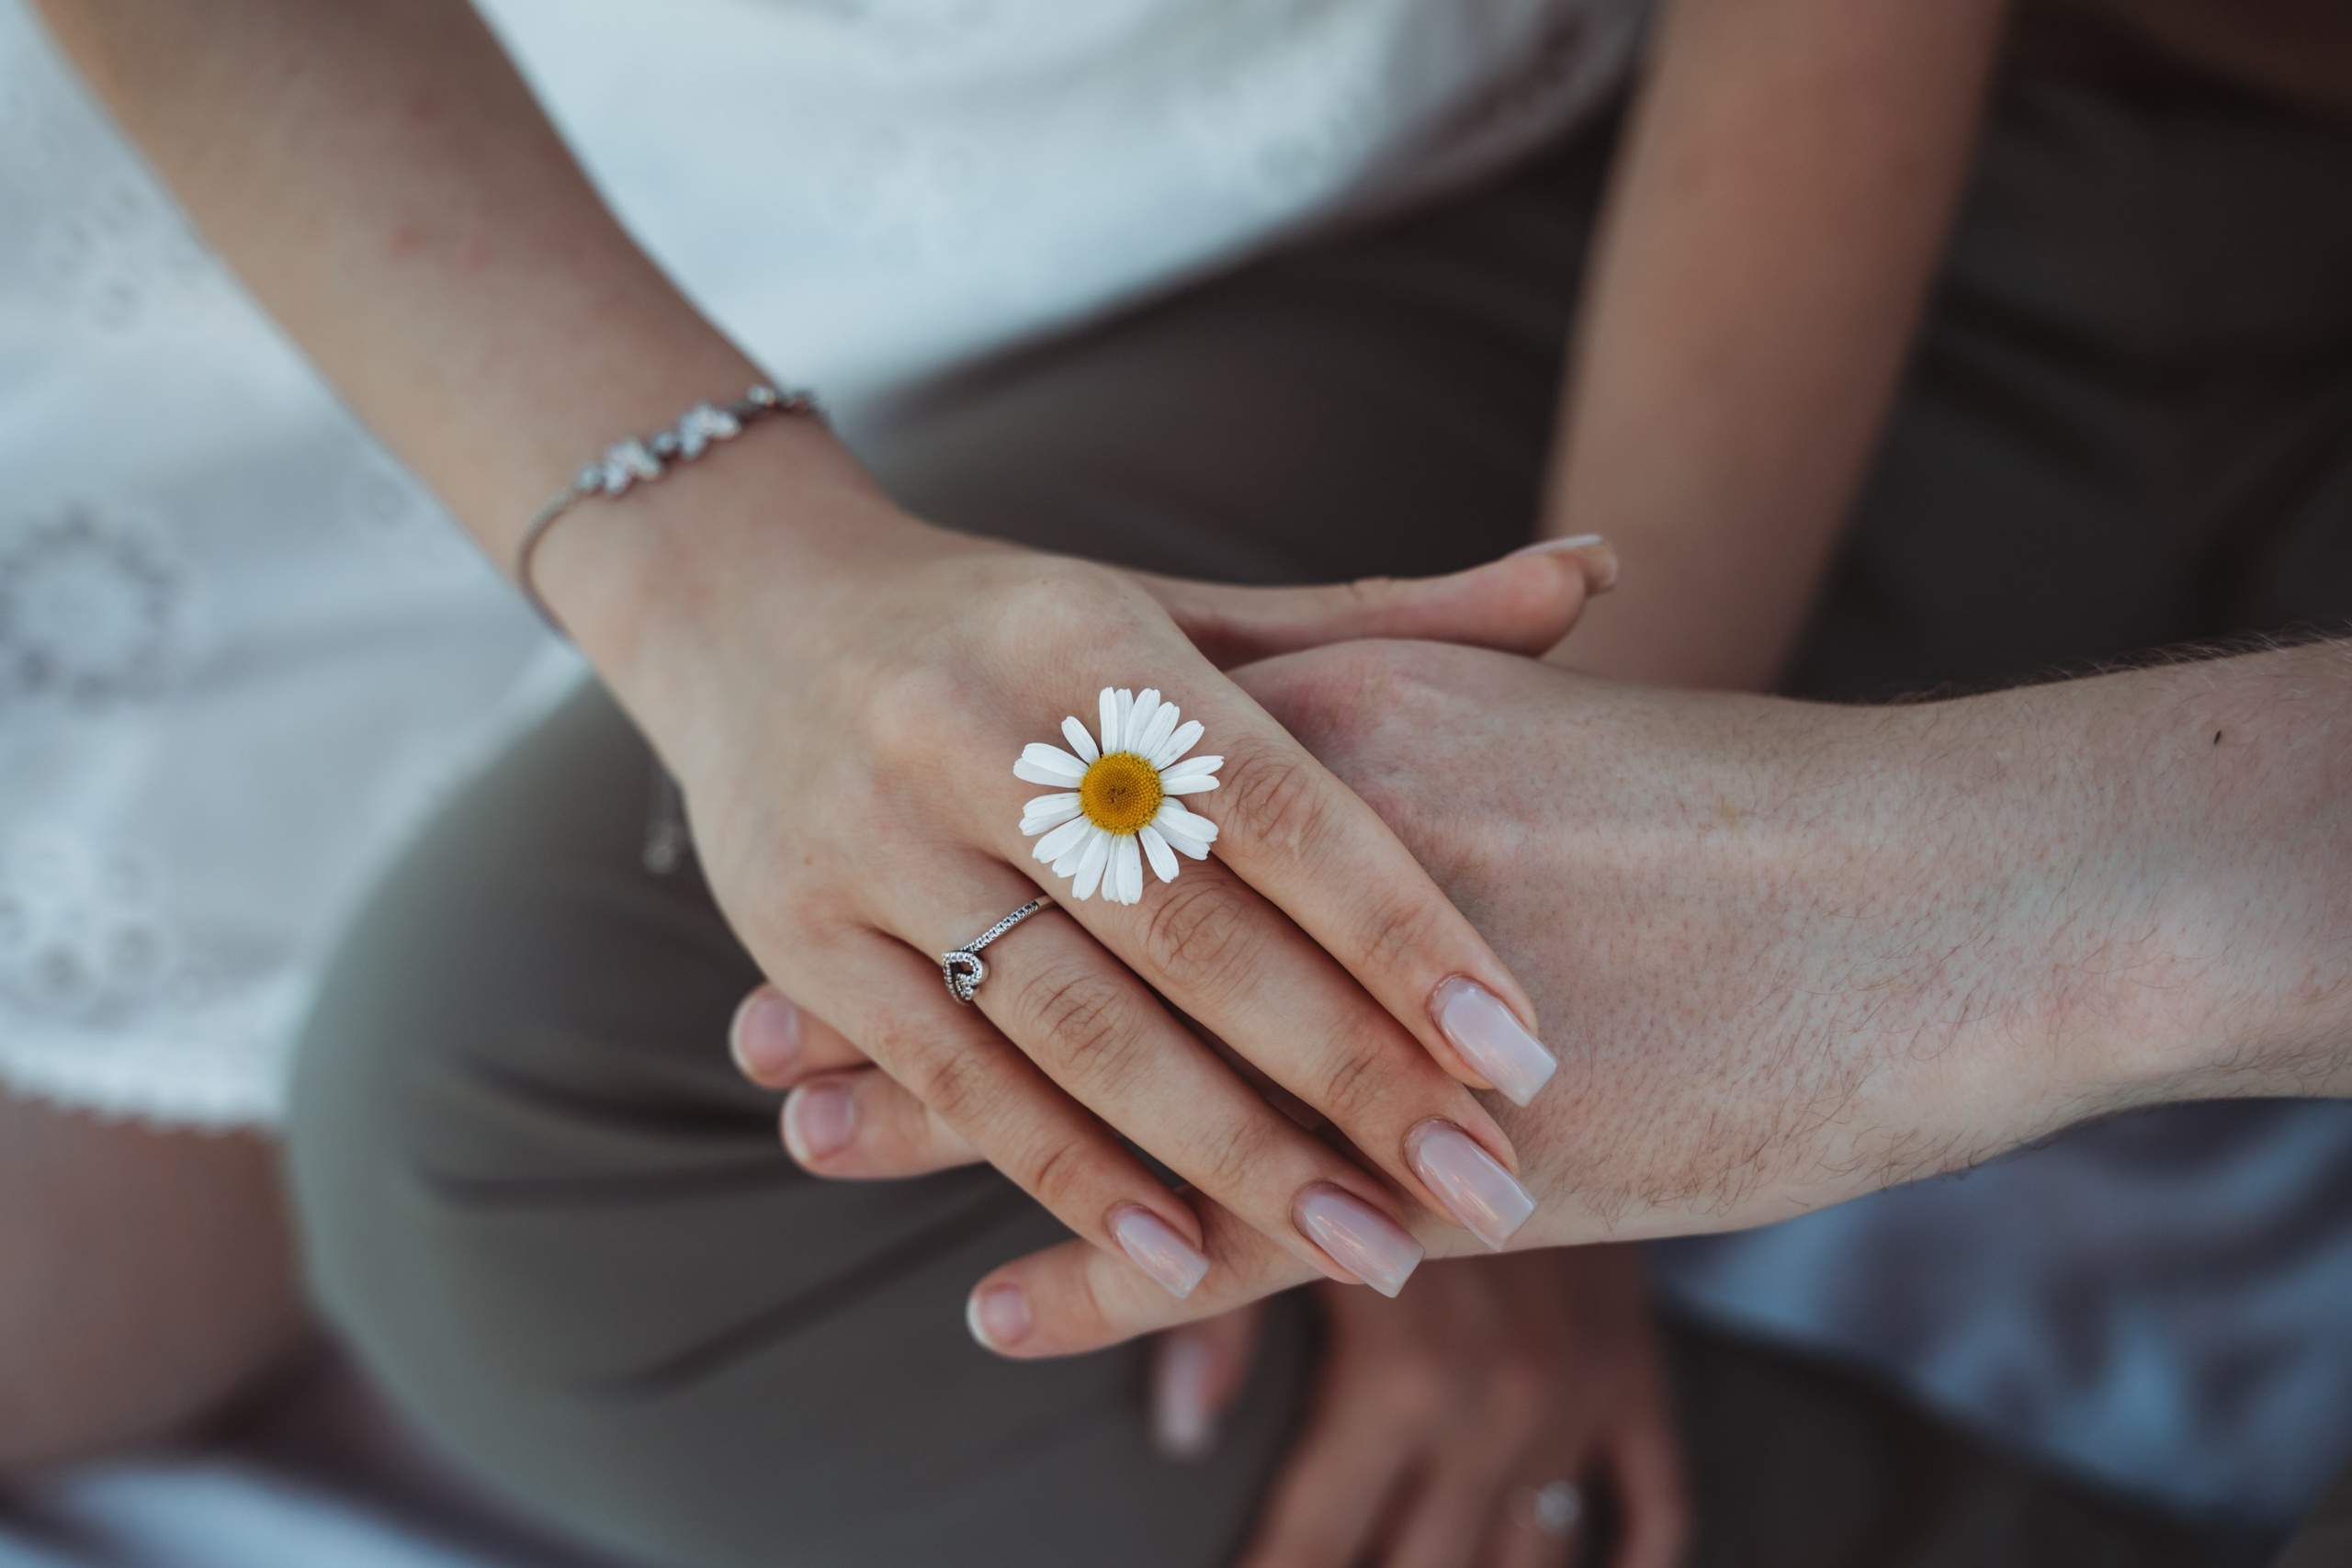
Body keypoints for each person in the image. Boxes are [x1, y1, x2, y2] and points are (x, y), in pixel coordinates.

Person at [25, 3, 2349, 1568]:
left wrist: (1512, 927)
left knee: (503, 1119)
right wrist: (710, 564)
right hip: (499, 198)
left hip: (1498, 159)